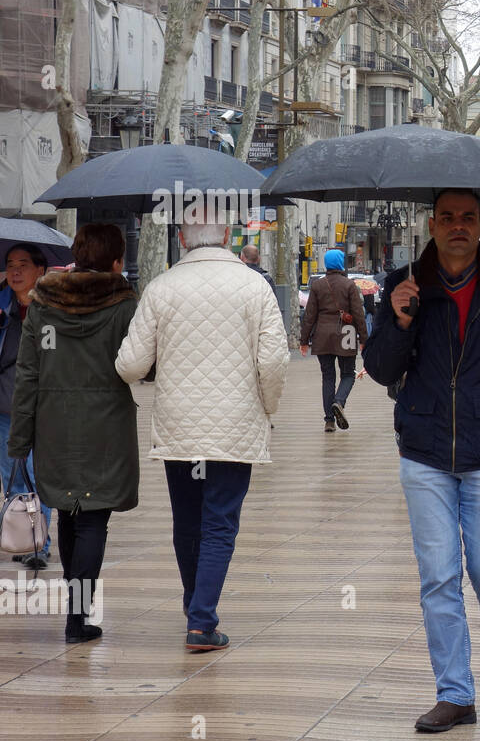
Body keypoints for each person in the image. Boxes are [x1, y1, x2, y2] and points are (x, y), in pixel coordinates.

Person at [364, 189, 480, 734]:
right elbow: (379, 371)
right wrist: (398, 320)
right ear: (431, 223)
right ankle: (455, 693)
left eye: (467, 218)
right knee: (438, 576)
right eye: (446, 218)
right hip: (424, 455)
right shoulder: (406, 289)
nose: (456, 227)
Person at [116, 217, 288, 651]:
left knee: (188, 519)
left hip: (180, 426)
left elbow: (130, 365)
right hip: (234, 425)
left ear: (180, 239)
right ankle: (201, 620)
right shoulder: (255, 287)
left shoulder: (161, 286)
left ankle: (197, 608)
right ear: (229, 237)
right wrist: (267, 406)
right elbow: (273, 361)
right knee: (220, 521)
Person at [9, 224, 137, 643]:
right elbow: (140, 364)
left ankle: (74, 610)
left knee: (68, 510)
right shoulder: (124, 305)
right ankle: (76, 617)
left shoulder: (43, 305)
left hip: (54, 423)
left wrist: (20, 438)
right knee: (94, 518)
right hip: (106, 425)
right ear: (115, 261)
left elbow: (28, 373)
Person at [1, 242, 53, 568]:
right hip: (5, 406)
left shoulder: (52, 309)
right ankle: (24, 536)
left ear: (40, 270)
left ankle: (38, 544)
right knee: (13, 476)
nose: (16, 271)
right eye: (10, 264)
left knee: (36, 474)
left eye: (23, 264)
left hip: (42, 406)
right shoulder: (1, 306)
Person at [300, 249, 367, 433]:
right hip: (346, 334)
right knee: (348, 374)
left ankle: (329, 420)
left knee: (328, 377)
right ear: (341, 263)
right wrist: (364, 339)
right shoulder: (349, 285)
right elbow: (358, 314)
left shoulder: (317, 286)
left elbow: (310, 315)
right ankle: (339, 401)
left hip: (322, 336)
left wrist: (304, 340)